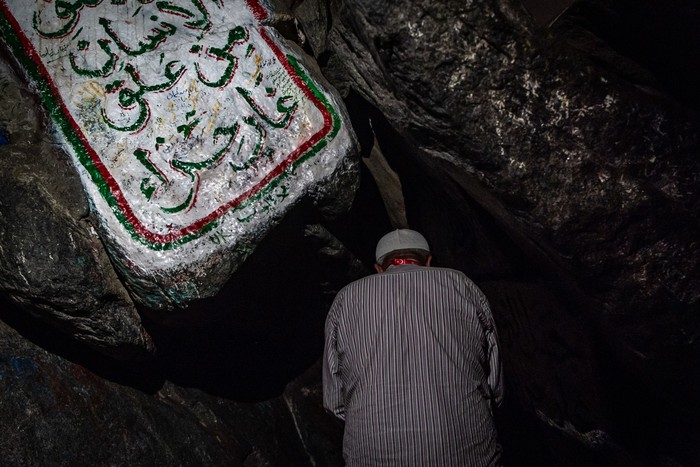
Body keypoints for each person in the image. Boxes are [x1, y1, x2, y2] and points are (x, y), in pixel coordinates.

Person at [322, 229, 503, 466]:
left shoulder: (346, 299)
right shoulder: (462, 285)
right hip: (471, 453)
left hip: (375, 456)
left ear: (379, 268)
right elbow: (495, 385)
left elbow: (333, 402)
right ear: (428, 262)